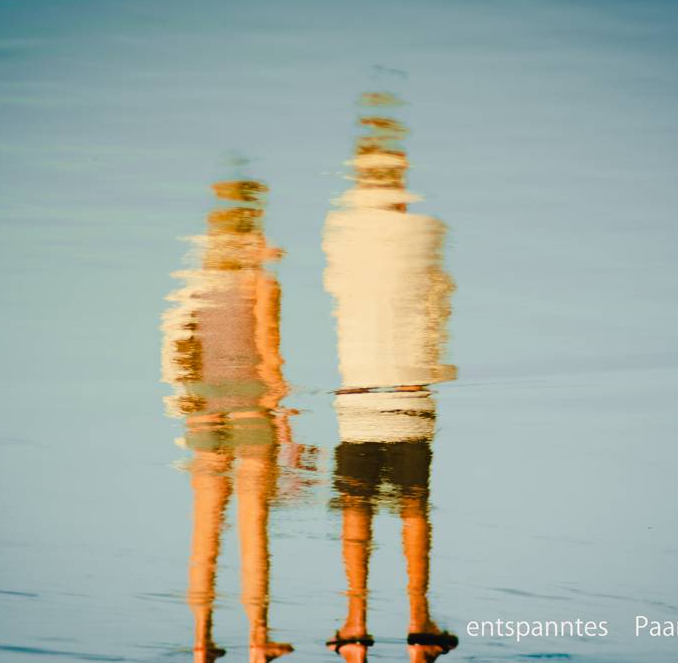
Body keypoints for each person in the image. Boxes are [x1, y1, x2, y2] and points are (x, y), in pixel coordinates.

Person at [323, 93, 459, 663]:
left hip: (356, 384)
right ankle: (418, 624)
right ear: (401, 174)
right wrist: (432, 369)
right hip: (408, 385)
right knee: (413, 504)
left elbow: (337, 295)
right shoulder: (427, 229)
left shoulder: (339, 228)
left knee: (356, 500)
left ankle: (354, 628)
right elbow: (438, 303)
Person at [161, 178, 301, 663]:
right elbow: (269, 358)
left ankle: (201, 640)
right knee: (252, 530)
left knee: (203, 533)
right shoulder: (261, 283)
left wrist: (187, 403)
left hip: (201, 409)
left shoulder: (195, 282)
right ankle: (257, 638)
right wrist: (286, 428)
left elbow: (179, 351)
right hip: (250, 409)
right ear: (253, 230)